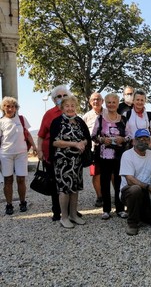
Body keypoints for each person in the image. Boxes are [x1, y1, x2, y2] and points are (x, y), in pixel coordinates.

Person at [50, 95, 91, 229]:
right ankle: (64, 217)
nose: (70, 108)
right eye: (67, 106)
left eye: (72, 106)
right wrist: (74, 144)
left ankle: (74, 215)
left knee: (75, 188)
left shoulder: (79, 121)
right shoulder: (57, 122)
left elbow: (87, 139)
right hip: (63, 162)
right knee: (64, 189)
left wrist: (82, 143)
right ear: (62, 108)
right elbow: (54, 142)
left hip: (76, 161)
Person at [120, 128, 151, 235]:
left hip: (148, 193)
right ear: (134, 141)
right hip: (129, 192)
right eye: (140, 139)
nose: (144, 141)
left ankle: (140, 213)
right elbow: (129, 180)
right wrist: (149, 187)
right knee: (135, 189)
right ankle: (132, 223)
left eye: (146, 139)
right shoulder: (127, 155)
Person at [91, 93, 129, 220]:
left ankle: (120, 209)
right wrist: (102, 140)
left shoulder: (123, 119)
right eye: (109, 102)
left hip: (119, 156)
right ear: (105, 103)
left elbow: (129, 136)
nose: (111, 105)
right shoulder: (100, 119)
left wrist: (122, 139)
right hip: (104, 156)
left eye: (114, 102)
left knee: (119, 182)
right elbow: (93, 136)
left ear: (118, 104)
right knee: (105, 182)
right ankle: (106, 209)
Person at [38, 85, 72, 221]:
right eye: (59, 96)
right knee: (54, 183)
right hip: (52, 155)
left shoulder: (71, 112)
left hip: (69, 154)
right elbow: (40, 135)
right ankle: (57, 211)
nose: (62, 98)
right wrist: (39, 150)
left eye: (64, 95)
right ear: (54, 99)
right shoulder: (49, 114)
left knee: (69, 182)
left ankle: (71, 211)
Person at [0, 97, 37, 215]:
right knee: (8, 180)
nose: (10, 109)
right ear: (3, 108)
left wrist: (34, 147)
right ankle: (9, 204)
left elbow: (28, 134)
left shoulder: (21, 119)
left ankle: (22, 202)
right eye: (7, 106)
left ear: (16, 108)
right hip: (6, 154)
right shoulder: (1, 122)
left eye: (12, 106)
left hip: (21, 153)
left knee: (21, 179)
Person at [82, 92, 108, 207]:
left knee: (111, 173)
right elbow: (83, 133)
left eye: (98, 99)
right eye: (93, 99)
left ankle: (112, 195)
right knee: (96, 174)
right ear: (90, 102)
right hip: (94, 149)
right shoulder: (86, 116)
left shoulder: (109, 113)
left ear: (102, 101)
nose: (96, 101)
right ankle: (99, 196)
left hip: (109, 148)